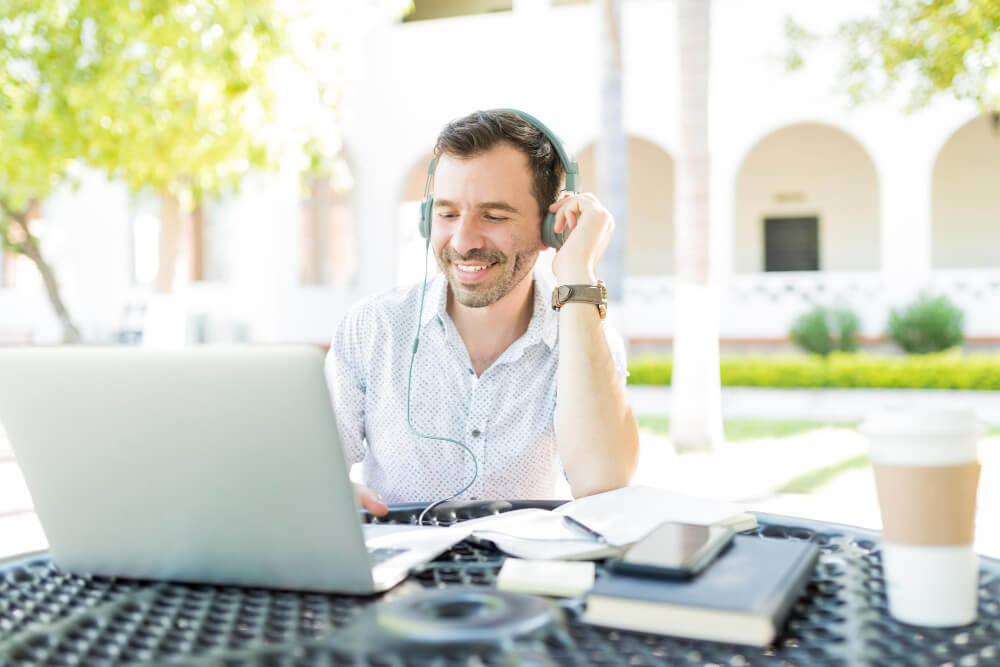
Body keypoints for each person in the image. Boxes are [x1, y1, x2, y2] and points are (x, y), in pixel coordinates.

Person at [326, 109, 639, 517]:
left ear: (552, 229)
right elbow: (311, 470)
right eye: (448, 214)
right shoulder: (373, 328)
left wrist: (578, 272)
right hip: (398, 572)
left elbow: (604, 486)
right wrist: (328, 493)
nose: (463, 240)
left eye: (494, 215)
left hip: (518, 576)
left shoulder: (584, 340)